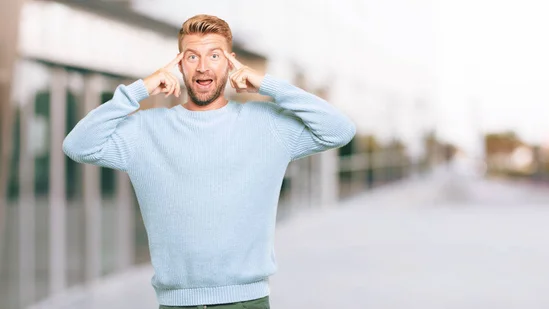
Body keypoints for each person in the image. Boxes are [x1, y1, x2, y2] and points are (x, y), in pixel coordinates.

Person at [63, 14, 356, 308]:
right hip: (177, 304)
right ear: (179, 65)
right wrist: (141, 89)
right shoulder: (145, 129)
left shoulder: (267, 125)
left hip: (247, 302)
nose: (203, 67)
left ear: (230, 62)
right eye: (192, 56)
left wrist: (268, 85)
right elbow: (78, 145)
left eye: (214, 55)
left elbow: (339, 129)